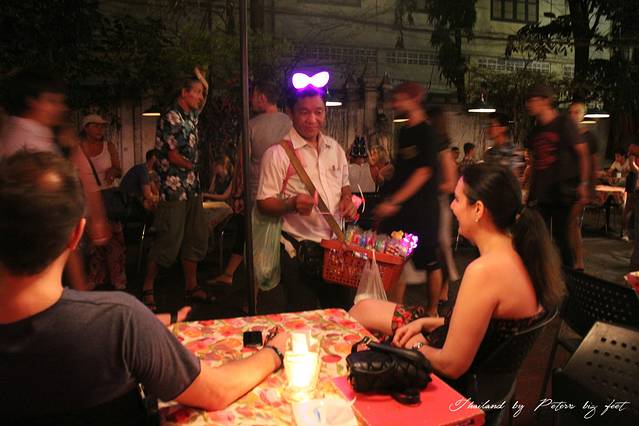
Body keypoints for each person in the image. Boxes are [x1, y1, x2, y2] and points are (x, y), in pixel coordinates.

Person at [0, 152, 289, 424]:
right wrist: (273, 352)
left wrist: (149, 324)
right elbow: (217, 391)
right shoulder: (119, 322)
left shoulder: (120, 321)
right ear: (77, 233)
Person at [350, 163, 564, 422]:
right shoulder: (523, 255)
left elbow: (452, 365)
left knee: (362, 336)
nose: (451, 206)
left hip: (457, 386)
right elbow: (490, 327)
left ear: (478, 209)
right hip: (483, 375)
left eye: (458, 199)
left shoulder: (485, 271)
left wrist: (414, 344)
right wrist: (428, 322)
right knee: (364, 309)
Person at [0, 69, 110, 290]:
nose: (60, 108)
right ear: (32, 102)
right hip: (40, 244)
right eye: (52, 101)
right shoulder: (24, 141)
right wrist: (79, 287)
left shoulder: (46, 134)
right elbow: (53, 212)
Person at [256, 84, 357, 313]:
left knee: (342, 316)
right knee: (303, 318)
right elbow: (264, 203)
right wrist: (291, 204)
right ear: (290, 113)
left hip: (336, 251)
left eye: (318, 112)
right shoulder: (277, 154)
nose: (312, 119)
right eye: (304, 112)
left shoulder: (335, 149)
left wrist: (347, 199)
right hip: (298, 252)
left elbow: (344, 185)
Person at [142, 69, 212, 312]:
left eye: (201, 93)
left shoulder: (190, 116)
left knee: (195, 235)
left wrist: (203, 81)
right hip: (174, 187)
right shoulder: (172, 116)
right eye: (197, 92)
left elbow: (204, 99)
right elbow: (172, 155)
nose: (200, 97)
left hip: (191, 187)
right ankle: (148, 286)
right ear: (184, 93)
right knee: (168, 238)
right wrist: (193, 166)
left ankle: (191, 286)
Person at [211, 81, 292, 286]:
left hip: (257, 192)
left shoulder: (252, 125)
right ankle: (237, 276)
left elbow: (242, 164)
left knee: (249, 234)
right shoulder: (290, 123)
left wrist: (238, 194)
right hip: (286, 192)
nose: (251, 100)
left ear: (262, 97)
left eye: (253, 95)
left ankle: (251, 287)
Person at [373, 82, 442, 315]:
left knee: (431, 262)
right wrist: (387, 173)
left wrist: (394, 202)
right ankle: (396, 312)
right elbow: (404, 167)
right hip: (402, 210)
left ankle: (433, 311)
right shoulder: (404, 132)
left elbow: (423, 172)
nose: (395, 103)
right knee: (395, 260)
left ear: (414, 99)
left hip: (423, 210)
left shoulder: (428, 133)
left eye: (400, 98)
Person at [524, 83, 590, 268]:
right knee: (539, 238)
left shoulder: (564, 123)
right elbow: (535, 162)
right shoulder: (536, 129)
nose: (529, 104)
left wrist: (584, 183)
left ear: (545, 101)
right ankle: (545, 277)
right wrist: (530, 190)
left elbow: (583, 153)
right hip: (542, 193)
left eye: (533, 100)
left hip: (562, 191)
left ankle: (569, 277)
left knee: (562, 238)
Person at [77, 114, 127, 290]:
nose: (100, 129)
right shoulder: (78, 148)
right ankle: (96, 276)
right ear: (86, 128)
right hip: (88, 198)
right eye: (96, 126)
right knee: (93, 241)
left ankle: (117, 277)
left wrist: (113, 171)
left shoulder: (108, 146)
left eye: (102, 126)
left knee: (115, 239)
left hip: (108, 197)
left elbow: (119, 169)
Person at [427, 107, 460, 301]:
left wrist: (430, 186)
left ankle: (444, 288)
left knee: (443, 246)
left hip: (441, 203)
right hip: (431, 203)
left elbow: (451, 183)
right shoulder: (432, 148)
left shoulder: (443, 150)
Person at [567, 101, 600, 271]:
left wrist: (590, 188)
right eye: (571, 112)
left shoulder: (589, 137)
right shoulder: (566, 135)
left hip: (581, 185)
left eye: (577, 112)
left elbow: (594, 164)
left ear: (582, 115)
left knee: (572, 222)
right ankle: (570, 259)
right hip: (565, 184)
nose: (573, 115)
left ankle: (578, 261)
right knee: (567, 223)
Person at [484, 112, 524, 176]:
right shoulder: (489, 153)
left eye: (491, 125)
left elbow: (515, 179)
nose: (488, 129)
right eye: (488, 125)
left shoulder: (514, 153)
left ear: (503, 128)